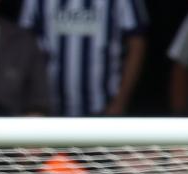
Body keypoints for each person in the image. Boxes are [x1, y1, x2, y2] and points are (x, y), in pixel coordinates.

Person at [19, 0, 147, 117]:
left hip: (103, 106)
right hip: (49, 107)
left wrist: (120, 101)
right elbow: (23, 42)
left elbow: (137, 44)